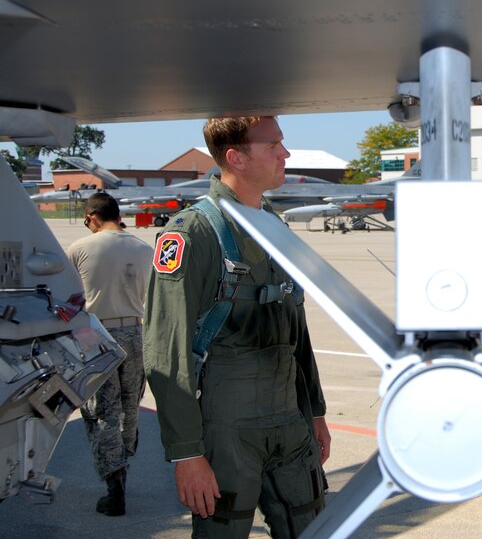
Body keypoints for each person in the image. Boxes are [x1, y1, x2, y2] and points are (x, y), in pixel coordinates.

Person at [144, 116, 331, 538]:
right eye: (273, 146)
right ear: (236, 158)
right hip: (228, 430)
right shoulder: (192, 235)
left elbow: (295, 330)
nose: (286, 154)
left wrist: (314, 412)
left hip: (290, 421)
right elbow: (165, 350)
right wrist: (186, 454)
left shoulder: (274, 226)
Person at [67, 192, 152, 516]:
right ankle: (123, 465)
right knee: (131, 406)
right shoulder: (144, 249)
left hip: (94, 333)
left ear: (91, 217)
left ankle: (113, 482)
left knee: (102, 411)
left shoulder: (79, 249)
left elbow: (66, 298)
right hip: (134, 331)